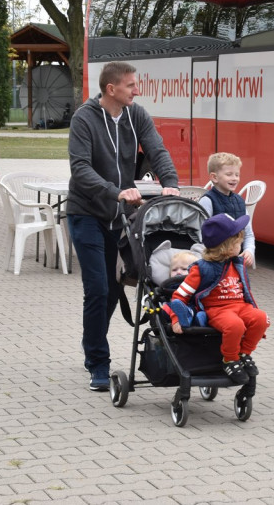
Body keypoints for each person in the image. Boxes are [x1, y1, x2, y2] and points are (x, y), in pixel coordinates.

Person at [67, 60, 181, 392]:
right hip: (86, 212)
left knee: (114, 291)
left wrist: (170, 183)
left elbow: (157, 149)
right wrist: (116, 192)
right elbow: (81, 168)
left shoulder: (136, 115)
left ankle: (92, 346)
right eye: (131, 85)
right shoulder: (84, 119)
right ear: (111, 89)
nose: (137, 90)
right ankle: (98, 364)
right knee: (98, 289)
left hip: (119, 218)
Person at [166, 213, 269, 384]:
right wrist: (175, 318)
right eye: (238, 243)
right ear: (227, 247)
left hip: (241, 306)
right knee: (234, 326)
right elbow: (180, 295)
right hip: (217, 309)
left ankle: (243, 354)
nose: (241, 245)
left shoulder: (237, 264)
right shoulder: (201, 269)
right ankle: (229, 359)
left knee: (261, 318)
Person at [198, 152, 255, 268]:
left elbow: (248, 233)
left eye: (237, 175)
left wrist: (249, 250)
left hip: (234, 262)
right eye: (229, 174)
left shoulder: (240, 201)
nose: (234, 178)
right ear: (214, 177)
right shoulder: (207, 201)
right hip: (214, 263)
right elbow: (199, 235)